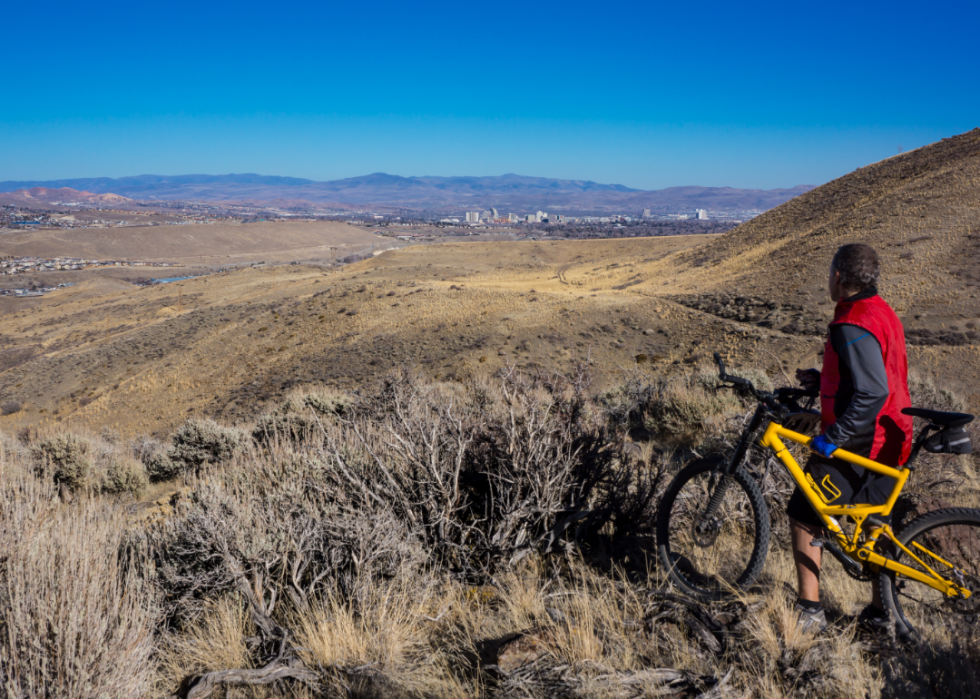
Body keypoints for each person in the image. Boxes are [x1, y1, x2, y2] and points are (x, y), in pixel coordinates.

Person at [788, 243, 913, 632]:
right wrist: (822, 378)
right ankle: (880, 614)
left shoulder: (851, 321)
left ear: (839, 277)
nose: (828, 280)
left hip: (861, 440)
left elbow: (872, 389)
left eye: (829, 273)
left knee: (805, 513)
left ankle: (809, 611)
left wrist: (833, 437)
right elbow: (872, 372)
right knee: (875, 523)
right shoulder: (881, 310)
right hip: (893, 433)